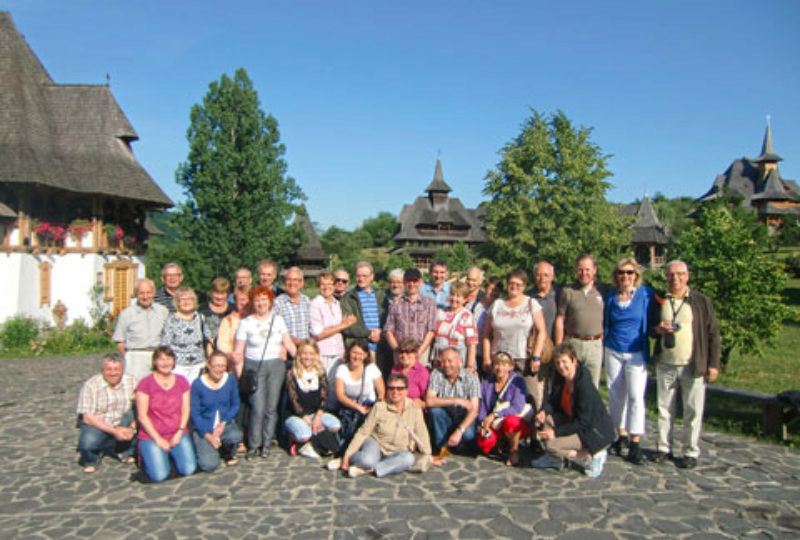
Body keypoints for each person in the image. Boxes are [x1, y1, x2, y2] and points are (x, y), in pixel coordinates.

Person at [649, 260, 720, 469]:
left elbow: (713, 334)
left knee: (692, 410)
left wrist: (713, 364)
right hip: (666, 363)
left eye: (679, 274)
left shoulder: (700, 301)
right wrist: (658, 330)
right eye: (671, 275)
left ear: (687, 276)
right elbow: (650, 329)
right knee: (664, 409)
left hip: (693, 364)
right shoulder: (660, 300)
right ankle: (663, 448)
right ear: (666, 277)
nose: (675, 278)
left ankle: (690, 450)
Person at [532, 344, 615, 478]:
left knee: (551, 446)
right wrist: (543, 411)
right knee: (546, 419)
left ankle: (593, 453)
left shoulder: (583, 383)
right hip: (572, 419)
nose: (561, 366)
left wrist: (556, 432)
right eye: (558, 363)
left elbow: (584, 421)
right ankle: (556, 459)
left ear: (574, 361)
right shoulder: (560, 377)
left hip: (590, 430)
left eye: (564, 362)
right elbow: (552, 400)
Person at [233, 285, 297, 459]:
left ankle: (267, 443)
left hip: (276, 366)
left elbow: (289, 343)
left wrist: (301, 360)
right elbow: (238, 352)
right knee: (257, 407)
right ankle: (254, 444)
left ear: (270, 302)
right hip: (254, 367)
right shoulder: (246, 323)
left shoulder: (278, 320)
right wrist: (241, 376)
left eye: (264, 299)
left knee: (271, 407)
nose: (261, 303)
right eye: (257, 300)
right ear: (252, 302)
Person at [603, 258, 654, 465]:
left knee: (635, 396)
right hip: (614, 349)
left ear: (636, 276)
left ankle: (635, 441)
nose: (626, 276)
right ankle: (621, 434)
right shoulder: (611, 297)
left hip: (635, 352)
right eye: (622, 273)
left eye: (630, 273)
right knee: (616, 395)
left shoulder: (645, 295)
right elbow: (606, 322)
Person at [337, 373, 433, 478]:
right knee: (367, 460)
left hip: (399, 450)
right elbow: (363, 432)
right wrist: (348, 454)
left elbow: (422, 433)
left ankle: (371, 469)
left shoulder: (414, 408)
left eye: (400, 388)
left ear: (406, 390)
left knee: (408, 459)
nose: (395, 392)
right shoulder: (379, 407)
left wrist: (428, 455)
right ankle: (351, 460)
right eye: (391, 388)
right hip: (377, 444)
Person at [482, 269, 547, 409]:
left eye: (518, 284)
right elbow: (487, 334)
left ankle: (531, 428)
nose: (514, 287)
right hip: (499, 360)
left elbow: (542, 331)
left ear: (524, 286)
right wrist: (487, 358)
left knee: (530, 398)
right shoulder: (497, 304)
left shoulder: (531, 303)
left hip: (523, 360)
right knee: (498, 399)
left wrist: (536, 356)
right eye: (511, 283)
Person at [135, 346, 197, 482]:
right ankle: (152, 459)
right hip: (152, 435)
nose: (165, 363)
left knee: (188, 469)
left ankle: (171, 458)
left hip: (176, 432)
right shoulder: (145, 383)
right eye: (161, 359)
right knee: (159, 476)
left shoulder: (182, 381)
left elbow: (186, 409)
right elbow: (142, 416)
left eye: (168, 359)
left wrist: (180, 432)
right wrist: (158, 439)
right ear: (155, 362)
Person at [76, 352, 137, 473]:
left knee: (139, 422)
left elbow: (141, 407)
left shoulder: (132, 381)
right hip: (99, 423)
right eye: (108, 369)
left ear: (123, 369)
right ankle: (91, 459)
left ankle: (124, 451)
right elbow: (87, 417)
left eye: (116, 369)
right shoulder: (91, 385)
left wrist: (133, 427)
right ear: (102, 370)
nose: (113, 373)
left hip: (123, 420)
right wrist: (114, 431)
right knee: (88, 443)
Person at [555, 254, 608, 389]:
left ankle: (590, 411)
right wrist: (559, 346)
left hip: (594, 344)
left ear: (594, 270)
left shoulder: (603, 290)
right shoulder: (568, 291)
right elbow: (560, 319)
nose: (584, 273)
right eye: (580, 269)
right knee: (571, 384)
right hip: (573, 343)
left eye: (587, 269)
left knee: (592, 386)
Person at [284, 340, 342, 459]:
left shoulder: (320, 372)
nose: (307, 357)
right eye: (304, 353)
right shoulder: (292, 373)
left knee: (335, 425)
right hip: (297, 415)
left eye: (311, 354)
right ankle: (297, 441)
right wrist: (309, 422)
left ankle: (317, 443)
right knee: (305, 434)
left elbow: (324, 398)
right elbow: (294, 401)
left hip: (315, 414)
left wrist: (317, 418)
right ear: (299, 355)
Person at [476, 352, 532, 466]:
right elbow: (482, 407)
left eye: (504, 365)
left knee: (510, 422)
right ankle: (499, 444)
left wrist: (495, 415)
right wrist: (483, 423)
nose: (500, 368)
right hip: (494, 423)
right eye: (497, 364)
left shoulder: (518, 382)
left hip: (512, 420)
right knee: (484, 441)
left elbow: (517, 406)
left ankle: (513, 451)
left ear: (510, 367)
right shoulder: (487, 383)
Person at [309, 271, 356, 405]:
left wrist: (347, 323)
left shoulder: (336, 304)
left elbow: (340, 326)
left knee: (336, 386)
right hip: (323, 352)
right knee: (323, 386)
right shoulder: (315, 304)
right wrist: (342, 325)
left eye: (329, 284)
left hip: (338, 351)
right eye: (323, 284)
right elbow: (318, 334)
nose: (326, 287)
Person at [190, 351, 242, 471]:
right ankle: (207, 447)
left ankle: (227, 450)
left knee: (235, 436)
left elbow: (235, 404)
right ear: (209, 365)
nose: (220, 369)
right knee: (209, 465)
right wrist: (209, 436)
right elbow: (195, 413)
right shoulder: (198, 384)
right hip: (205, 427)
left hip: (223, 425)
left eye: (223, 366)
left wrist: (223, 423)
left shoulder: (230, 379)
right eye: (216, 366)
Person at [425, 347, 480, 457]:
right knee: (435, 411)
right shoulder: (437, 374)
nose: (446, 364)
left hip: (463, 418)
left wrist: (460, 431)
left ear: (460, 361)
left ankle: (459, 443)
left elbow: (474, 410)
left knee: (468, 435)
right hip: (445, 416)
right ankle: (441, 445)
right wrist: (456, 400)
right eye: (443, 361)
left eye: (450, 361)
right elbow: (429, 401)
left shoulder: (471, 378)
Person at [112, 278, 168, 382]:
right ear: (136, 294)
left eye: (148, 292)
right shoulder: (126, 314)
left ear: (154, 293)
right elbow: (119, 340)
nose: (145, 296)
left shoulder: (163, 311)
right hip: (136, 357)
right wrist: (129, 356)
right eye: (141, 293)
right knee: (136, 389)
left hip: (158, 355)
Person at [334, 339, 385, 448]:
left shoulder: (371, 368)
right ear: (349, 353)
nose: (357, 357)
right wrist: (357, 407)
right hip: (349, 408)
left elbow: (381, 392)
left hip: (369, 406)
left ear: (366, 355)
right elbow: (340, 395)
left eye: (360, 354)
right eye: (354, 353)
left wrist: (376, 408)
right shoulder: (342, 369)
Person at [384, 268, 437, 367]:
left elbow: (431, 331)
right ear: (404, 282)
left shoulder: (429, 303)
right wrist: (398, 351)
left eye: (415, 281)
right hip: (400, 352)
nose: (412, 284)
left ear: (420, 282)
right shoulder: (395, 304)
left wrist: (419, 352)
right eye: (409, 281)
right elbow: (388, 330)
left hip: (421, 352)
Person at [160, 286, 212, 384]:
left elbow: (208, 340)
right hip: (178, 366)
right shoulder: (170, 320)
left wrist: (210, 360)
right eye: (182, 299)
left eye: (189, 299)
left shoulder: (200, 318)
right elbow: (165, 345)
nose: (186, 302)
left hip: (199, 365)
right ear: (177, 302)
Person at [341, 262, 385, 362]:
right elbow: (347, 326)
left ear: (372, 277)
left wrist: (381, 334)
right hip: (360, 349)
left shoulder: (381, 296)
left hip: (381, 348)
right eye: (358, 276)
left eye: (365, 276)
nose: (361, 279)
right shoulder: (348, 298)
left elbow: (388, 320)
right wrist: (369, 333)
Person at [431, 281, 479, 372]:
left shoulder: (467, 316)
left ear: (465, 299)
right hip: (440, 359)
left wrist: (470, 366)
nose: (454, 298)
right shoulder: (440, 313)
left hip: (458, 361)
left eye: (458, 296)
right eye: (452, 295)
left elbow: (472, 343)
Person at [273, 267, 311, 348]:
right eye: (289, 280)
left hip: (306, 352)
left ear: (301, 283)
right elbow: (275, 331)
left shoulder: (307, 301)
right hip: (286, 351)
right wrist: (297, 341)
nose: (292, 283)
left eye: (295, 280)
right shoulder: (277, 303)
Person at [389, 339, 430, 408]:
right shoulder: (395, 369)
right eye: (401, 352)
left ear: (415, 354)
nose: (404, 355)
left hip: (413, 407)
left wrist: (422, 403)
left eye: (408, 352)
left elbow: (426, 397)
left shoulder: (422, 372)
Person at [216, 286, 252, 365]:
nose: (245, 302)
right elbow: (222, 343)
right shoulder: (228, 320)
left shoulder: (257, 319)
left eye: (248, 299)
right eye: (241, 299)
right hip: (234, 362)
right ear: (235, 301)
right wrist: (231, 355)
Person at [199, 277, 233, 348]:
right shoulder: (202, 309)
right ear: (211, 292)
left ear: (227, 294)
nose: (219, 297)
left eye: (222, 293)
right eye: (216, 293)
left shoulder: (233, 309)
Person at [528, 261, 559, 339]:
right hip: (532, 344)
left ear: (552, 276)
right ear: (534, 277)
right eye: (538, 275)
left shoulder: (560, 295)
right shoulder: (527, 297)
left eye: (546, 275)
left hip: (555, 345)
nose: (542, 279)